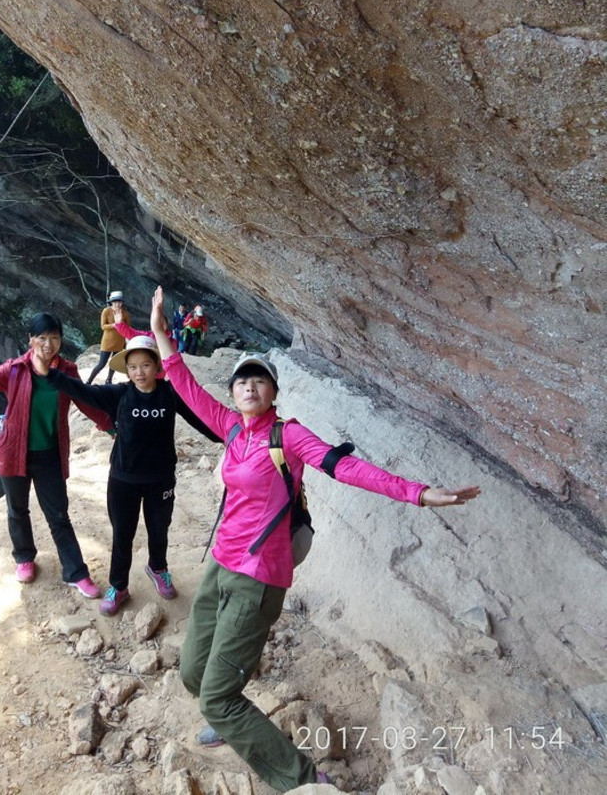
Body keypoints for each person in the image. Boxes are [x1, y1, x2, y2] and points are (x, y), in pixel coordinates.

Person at [149, 286, 481, 793]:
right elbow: (185, 385)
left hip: (260, 577)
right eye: (242, 381)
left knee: (216, 699)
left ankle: (305, 780)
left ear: (273, 393)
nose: (250, 387)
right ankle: (231, 701)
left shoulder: (290, 436)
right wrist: (158, 332)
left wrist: (418, 494)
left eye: (260, 381)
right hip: (220, 564)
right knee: (194, 675)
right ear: (234, 392)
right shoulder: (233, 431)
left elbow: (345, 467)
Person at [0, 314, 112, 593]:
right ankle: (24, 557)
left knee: (59, 515)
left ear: (60, 340)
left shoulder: (68, 372)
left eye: (54, 337)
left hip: (49, 454)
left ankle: (75, 572)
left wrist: (111, 427)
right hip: (14, 452)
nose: (48, 344)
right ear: (30, 340)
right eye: (42, 338)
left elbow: (86, 401)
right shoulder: (15, 370)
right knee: (17, 509)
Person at [36, 335, 220, 616]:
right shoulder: (120, 394)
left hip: (160, 479)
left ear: (156, 366)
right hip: (124, 480)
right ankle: (118, 586)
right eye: (133, 367)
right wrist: (50, 374)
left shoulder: (170, 394)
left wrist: (227, 437)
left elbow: (199, 418)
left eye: (145, 365)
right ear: (127, 370)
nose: (139, 372)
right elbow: (81, 391)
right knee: (123, 534)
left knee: (159, 528)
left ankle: (158, 568)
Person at [87, 290, 131, 384]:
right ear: (111, 302)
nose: (117, 304)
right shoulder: (106, 311)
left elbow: (128, 328)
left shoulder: (125, 313)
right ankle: (89, 380)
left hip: (119, 342)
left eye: (119, 302)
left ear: (122, 302)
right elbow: (103, 326)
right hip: (107, 342)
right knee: (102, 363)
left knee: (113, 363)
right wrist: (115, 325)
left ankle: (109, 380)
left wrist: (124, 331)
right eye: (115, 302)